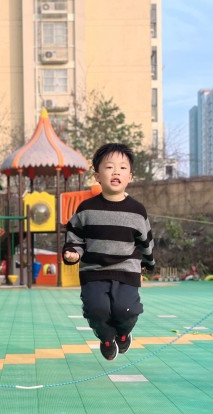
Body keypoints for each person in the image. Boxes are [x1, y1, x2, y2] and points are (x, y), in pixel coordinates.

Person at [62, 143, 155, 360]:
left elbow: (146, 241)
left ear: (130, 177)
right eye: (109, 167)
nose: (116, 172)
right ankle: (106, 338)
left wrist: (148, 263)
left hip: (127, 270)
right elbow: (75, 237)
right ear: (97, 176)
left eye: (122, 168)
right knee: (97, 310)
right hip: (93, 271)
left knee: (126, 310)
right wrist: (72, 252)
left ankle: (123, 334)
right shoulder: (86, 209)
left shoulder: (137, 211)